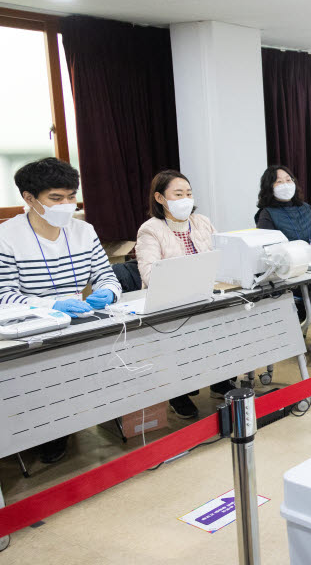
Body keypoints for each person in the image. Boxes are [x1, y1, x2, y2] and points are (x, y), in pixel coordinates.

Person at [0, 157, 122, 463]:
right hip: (31, 328)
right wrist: (50, 305)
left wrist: (108, 291)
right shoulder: (7, 237)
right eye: (56, 198)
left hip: (81, 319)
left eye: (71, 197)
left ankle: (98, 415)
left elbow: (107, 276)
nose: (66, 205)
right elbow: (4, 297)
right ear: (29, 198)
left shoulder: (84, 231)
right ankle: (51, 432)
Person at [135, 169, 234, 417]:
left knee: (229, 321)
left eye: (188, 193)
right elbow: (149, 275)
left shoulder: (202, 222)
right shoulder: (150, 229)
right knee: (180, 335)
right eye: (177, 194)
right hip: (170, 306)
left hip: (205, 297)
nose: (185, 199)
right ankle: (176, 392)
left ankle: (220, 380)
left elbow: (221, 257)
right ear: (160, 198)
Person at [254, 165, 311, 252]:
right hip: (288, 263)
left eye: (288, 180)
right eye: (279, 181)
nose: (285, 185)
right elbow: (269, 250)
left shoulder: (305, 208)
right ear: (269, 187)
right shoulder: (267, 213)